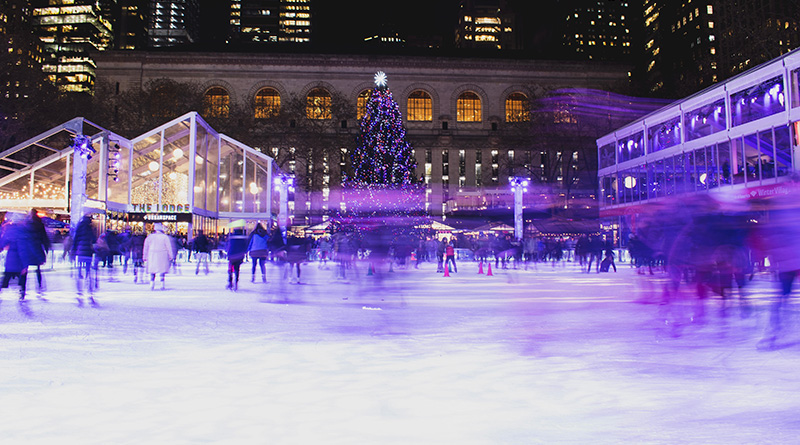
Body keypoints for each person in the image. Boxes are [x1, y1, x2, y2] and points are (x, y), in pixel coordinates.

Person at [0, 212, 36, 300]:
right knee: (22, 277)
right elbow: (23, 249)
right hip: (19, 259)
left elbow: (3, 242)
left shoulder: (10, 230)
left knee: (7, 276)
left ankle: (2, 288)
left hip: (11, 258)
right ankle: (22, 292)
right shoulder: (24, 231)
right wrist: (25, 264)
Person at [70, 214, 97, 299]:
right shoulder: (90, 228)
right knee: (88, 271)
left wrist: (73, 251)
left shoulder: (79, 227)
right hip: (88, 252)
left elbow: (75, 240)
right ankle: (89, 289)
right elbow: (94, 240)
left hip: (80, 252)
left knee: (79, 270)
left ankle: (79, 289)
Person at [143, 223, 175, 290]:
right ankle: (162, 284)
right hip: (162, 254)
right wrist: (171, 255)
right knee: (162, 270)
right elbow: (168, 247)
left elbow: (146, 247)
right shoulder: (165, 237)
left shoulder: (150, 237)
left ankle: (152, 284)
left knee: (152, 270)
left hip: (152, 254)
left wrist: (145, 256)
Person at [28, 210, 51, 294]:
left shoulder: (27, 223)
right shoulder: (39, 224)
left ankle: (23, 287)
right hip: (37, 247)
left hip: (28, 248)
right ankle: (39, 284)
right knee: (38, 269)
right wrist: (46, 247)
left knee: (25, 267)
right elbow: (44, 237)